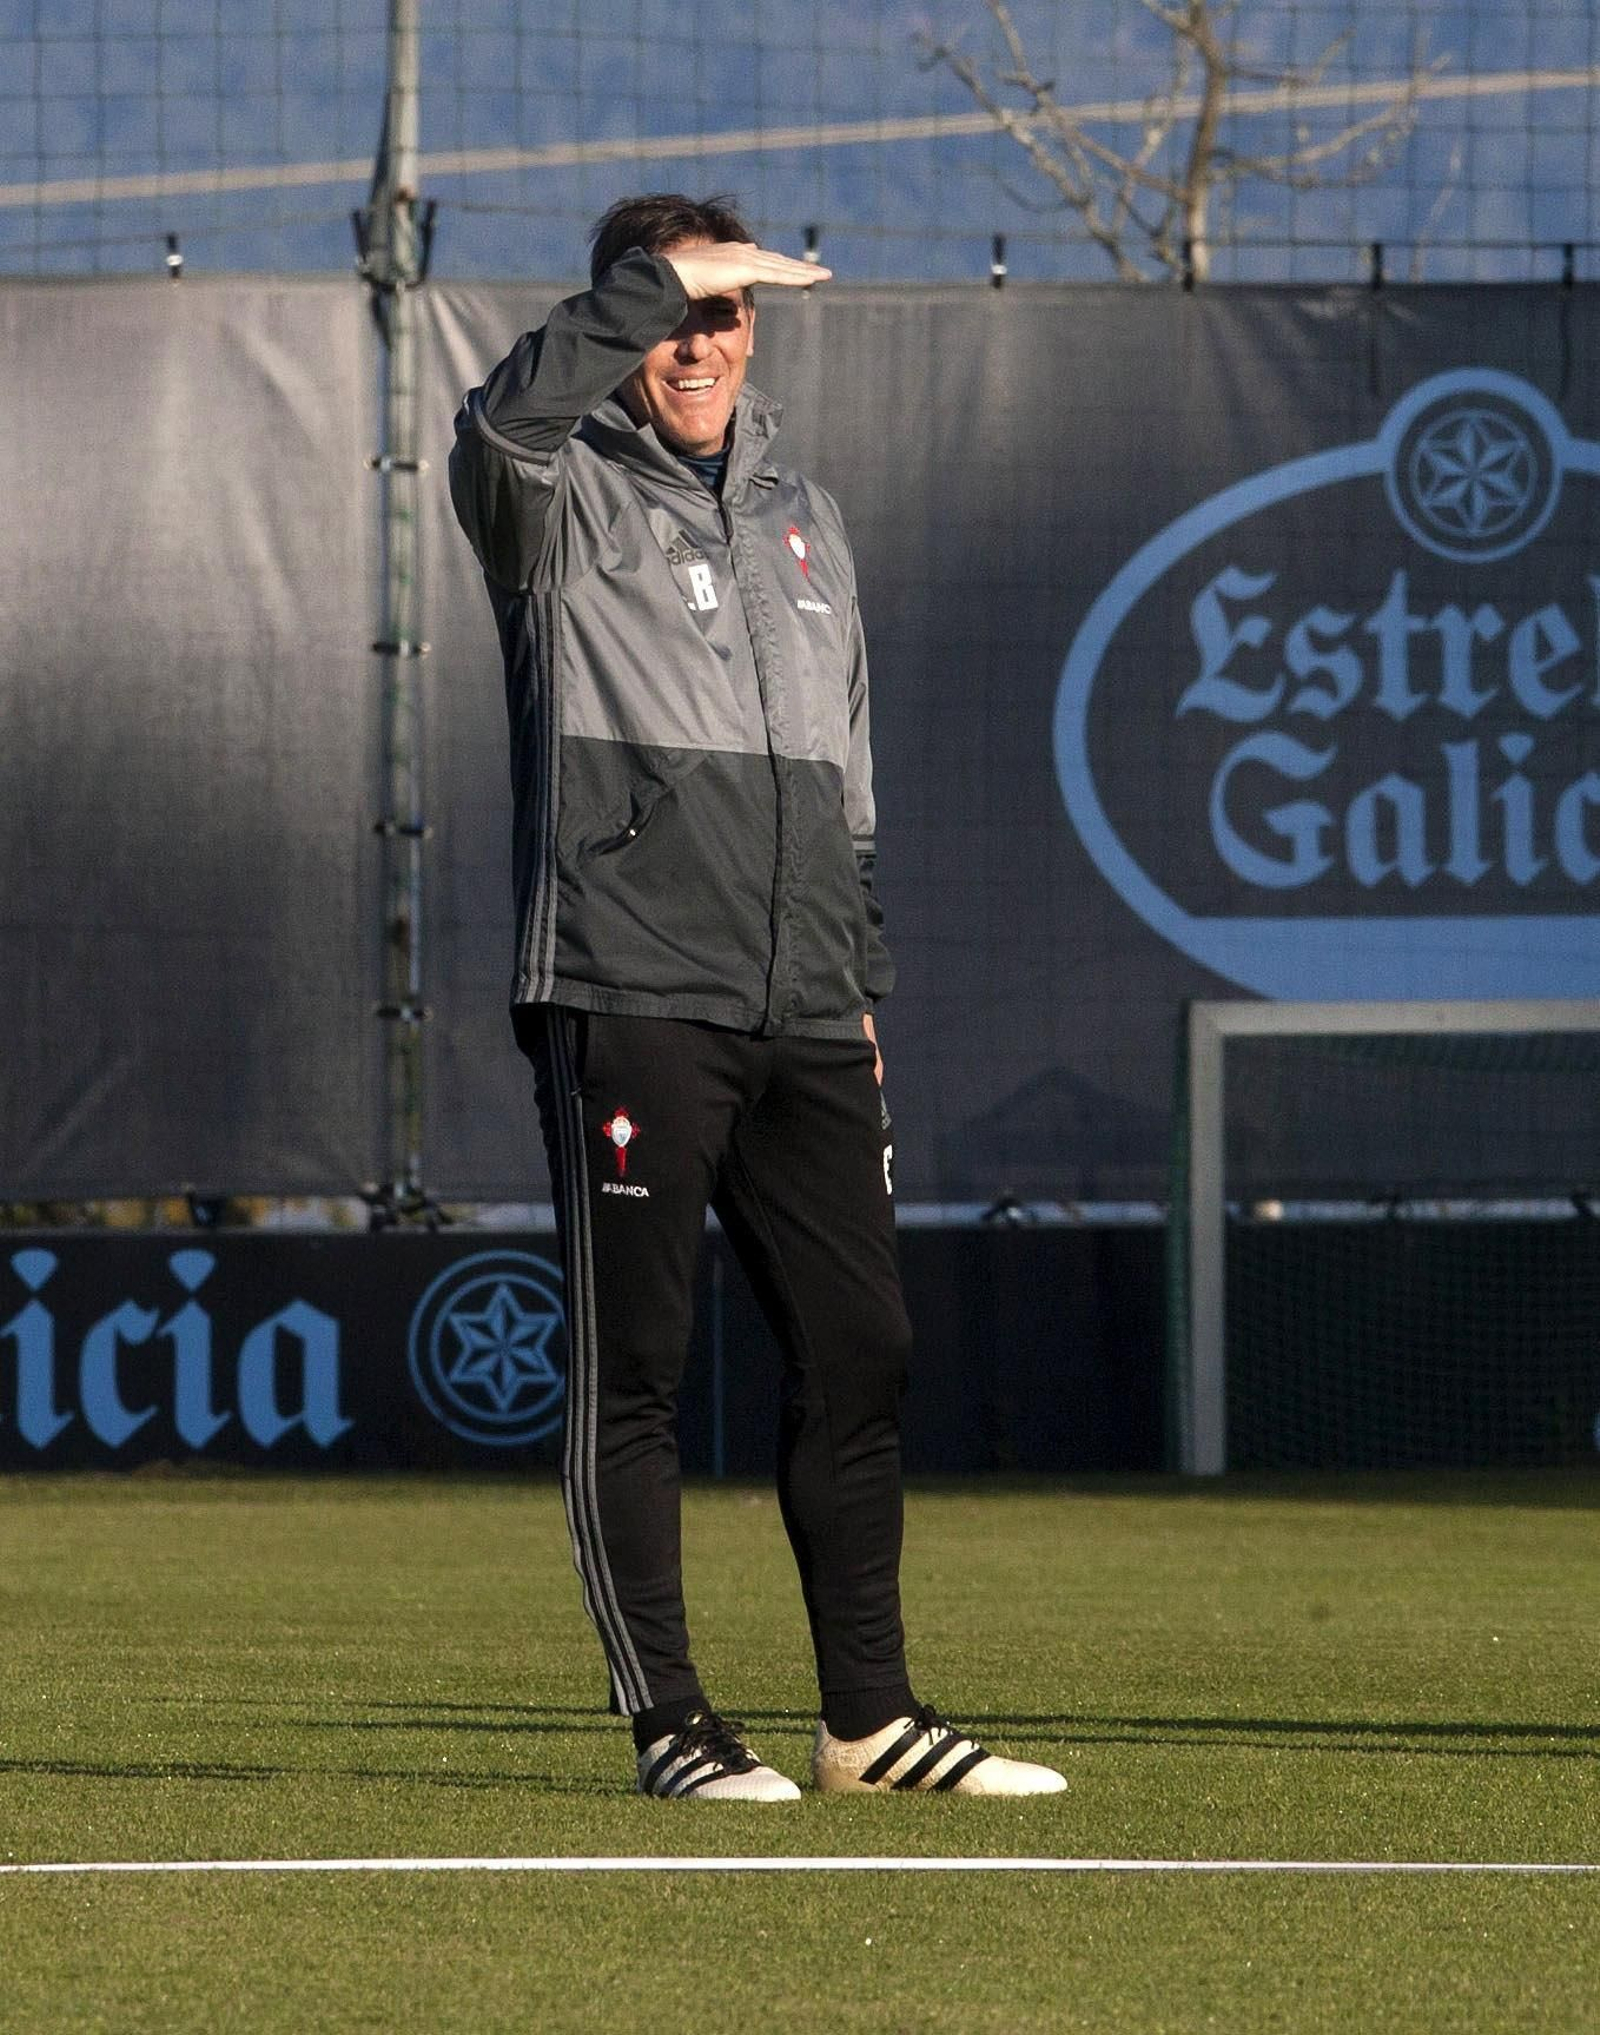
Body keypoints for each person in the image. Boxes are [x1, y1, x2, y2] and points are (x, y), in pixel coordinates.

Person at [449, 192, 1065, 1802]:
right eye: (671, 314)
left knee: (863, 1350)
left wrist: (856, 978)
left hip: (805, 1002)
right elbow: (499, 416)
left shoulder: (806, 513)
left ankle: (869, 1723)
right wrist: (657, 283)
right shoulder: (554, 489)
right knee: (635, 1365)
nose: (700, 345)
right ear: (624, 320)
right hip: (630, 985)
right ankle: (670, 1725)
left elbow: (843, 779)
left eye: (727, 315)